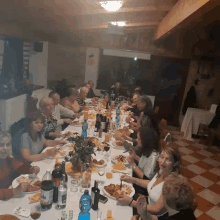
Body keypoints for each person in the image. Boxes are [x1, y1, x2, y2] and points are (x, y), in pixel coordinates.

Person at [117, 145, 181, 217]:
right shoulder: (162, 171)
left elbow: (157, 209)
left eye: (168, 159)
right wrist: (132, 179)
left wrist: (132, 203)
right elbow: (152, 184)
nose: (162, 162)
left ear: (175, 163)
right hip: (145, 205)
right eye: (162, 157)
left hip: (152, 216)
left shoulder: (171, 184)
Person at [0, 132, 40, 200]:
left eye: (8, 145)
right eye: (1, 145)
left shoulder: (8, 160)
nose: (5, 148)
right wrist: (14, 191)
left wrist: (31, 169)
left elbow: (20, 167)